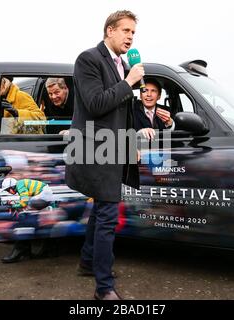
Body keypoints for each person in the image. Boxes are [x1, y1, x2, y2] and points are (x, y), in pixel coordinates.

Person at [65, 10, 144, 300]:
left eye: (133, 33)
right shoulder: (88, 59)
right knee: (108, 214)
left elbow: (123, 112)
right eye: (125, 31)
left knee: (101, 212)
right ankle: (104, 287)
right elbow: (96, 104)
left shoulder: (123, 64)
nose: (130, 37)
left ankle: (88, 263)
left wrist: (129, 141)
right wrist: (129, 82)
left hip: (114, 146)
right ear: (109, 31)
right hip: (95, 149)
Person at [0, 177, 55, 263]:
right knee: (27, 211)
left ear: (12, 187)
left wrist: (14, 206)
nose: (8, 192)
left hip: (44, 195)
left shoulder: (20, 185)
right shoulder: (20, 185)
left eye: (8, 190)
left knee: (25, 212)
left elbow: (24, 201)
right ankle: (33, 248)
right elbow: (24, 200)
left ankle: (21, 248)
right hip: (44, 194)